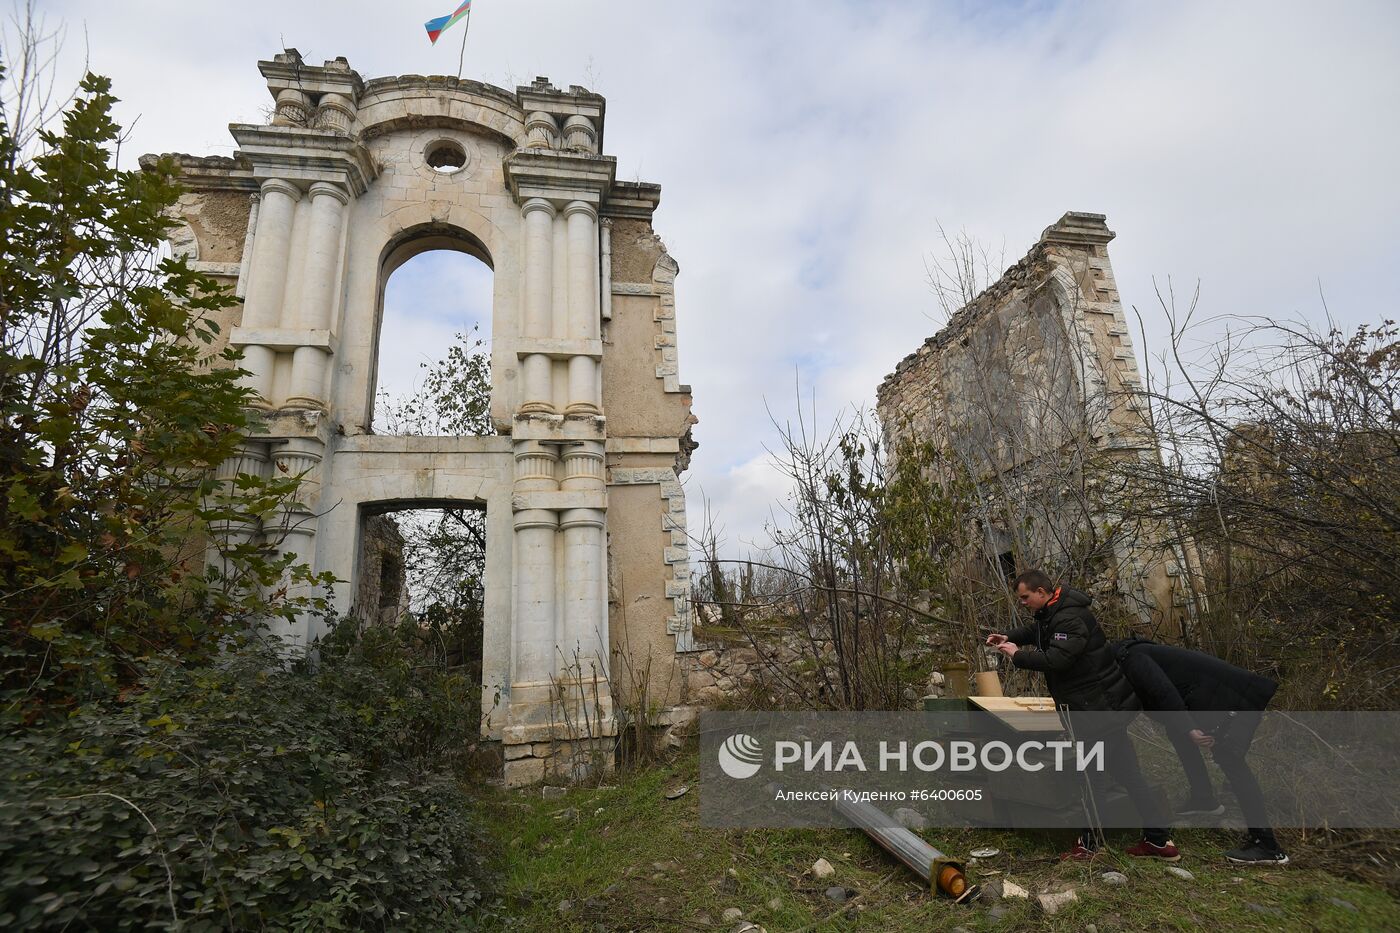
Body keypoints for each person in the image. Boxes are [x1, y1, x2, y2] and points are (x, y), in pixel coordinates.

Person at [987, 570, 1180, 862]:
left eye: (1025, 597)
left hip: (1096, 712)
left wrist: (1017, 655)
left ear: (1042, 592)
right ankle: (1158, 840)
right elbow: (1037, 631)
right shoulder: (1054, 612)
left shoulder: (1070, 619)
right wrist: (1010, 636)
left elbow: (1058, 659)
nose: (1023, 603)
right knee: (1129, 775)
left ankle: (1090, 846)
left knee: (1091, 779)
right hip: (1102, 710)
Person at [1111, 637, 1288, 865]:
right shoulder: (1131, 654)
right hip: (1212, 698)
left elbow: (1163, 692)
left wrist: (1190, 728)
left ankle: (1267, 845)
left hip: (1229, 702)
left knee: (1232, 762)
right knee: (1177, 733)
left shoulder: (1133, 660)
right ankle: (1203, 798)